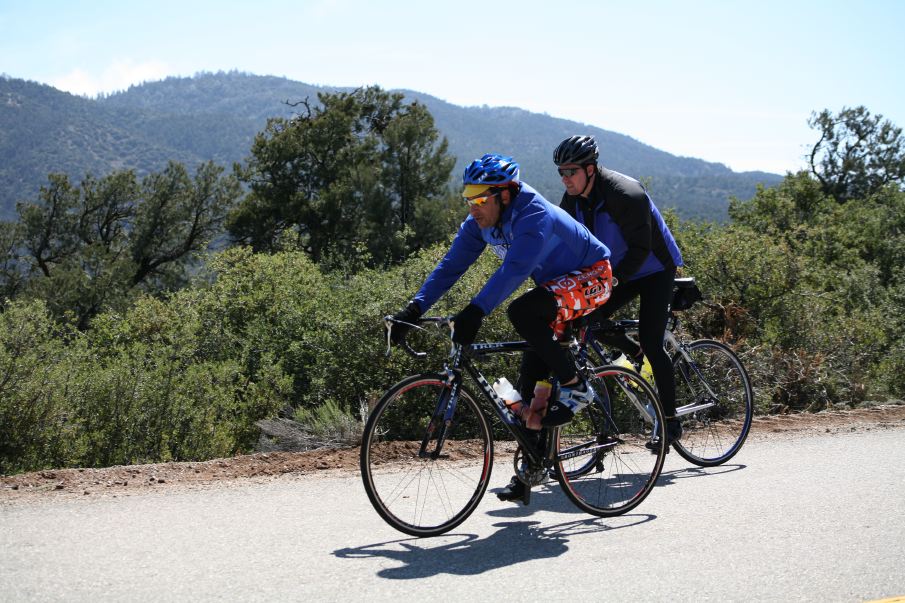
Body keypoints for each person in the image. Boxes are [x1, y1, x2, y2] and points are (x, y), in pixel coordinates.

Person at [388, 153, 614, 501]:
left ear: (504, 195)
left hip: (593, 275)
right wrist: (413, 309)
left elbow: (515, 269)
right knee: (527, 383)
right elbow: (451, 267)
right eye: (468, 198)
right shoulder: (479, 222)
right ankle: (530, 472)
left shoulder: (533, 213)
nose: (473, 207)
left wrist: (475, 312)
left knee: (521, 312)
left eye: (480, 199)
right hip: (554, 288)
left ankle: (576, 385)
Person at [552, 134, 685, 447]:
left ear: (591, 169)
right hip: (617, 269)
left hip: (653, 268)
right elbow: (561, 243)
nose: (565, 178)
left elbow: (640, 249)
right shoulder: (571, 199)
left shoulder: (625, 193)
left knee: (653, 342)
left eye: (571, 171)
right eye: (561, 172)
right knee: (586, 318)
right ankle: (630, 351)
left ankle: (670, 421)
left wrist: (608, 284)